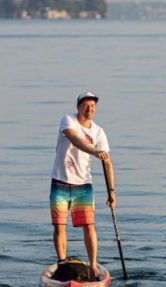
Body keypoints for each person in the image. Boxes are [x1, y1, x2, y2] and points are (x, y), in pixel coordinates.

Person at [50, 91, 116, 277]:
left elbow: (107, 163)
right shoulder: (68, 120)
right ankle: (62, 263)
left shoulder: (99, 132)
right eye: (86, 106)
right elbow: (75, 139)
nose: (89, 109)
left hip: (83, 185)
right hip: (61, 182)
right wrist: (94, 151)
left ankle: (93, 265)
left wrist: (112, 192)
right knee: (59, 225)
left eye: (93, 106)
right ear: (78, 107)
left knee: (89, 226)